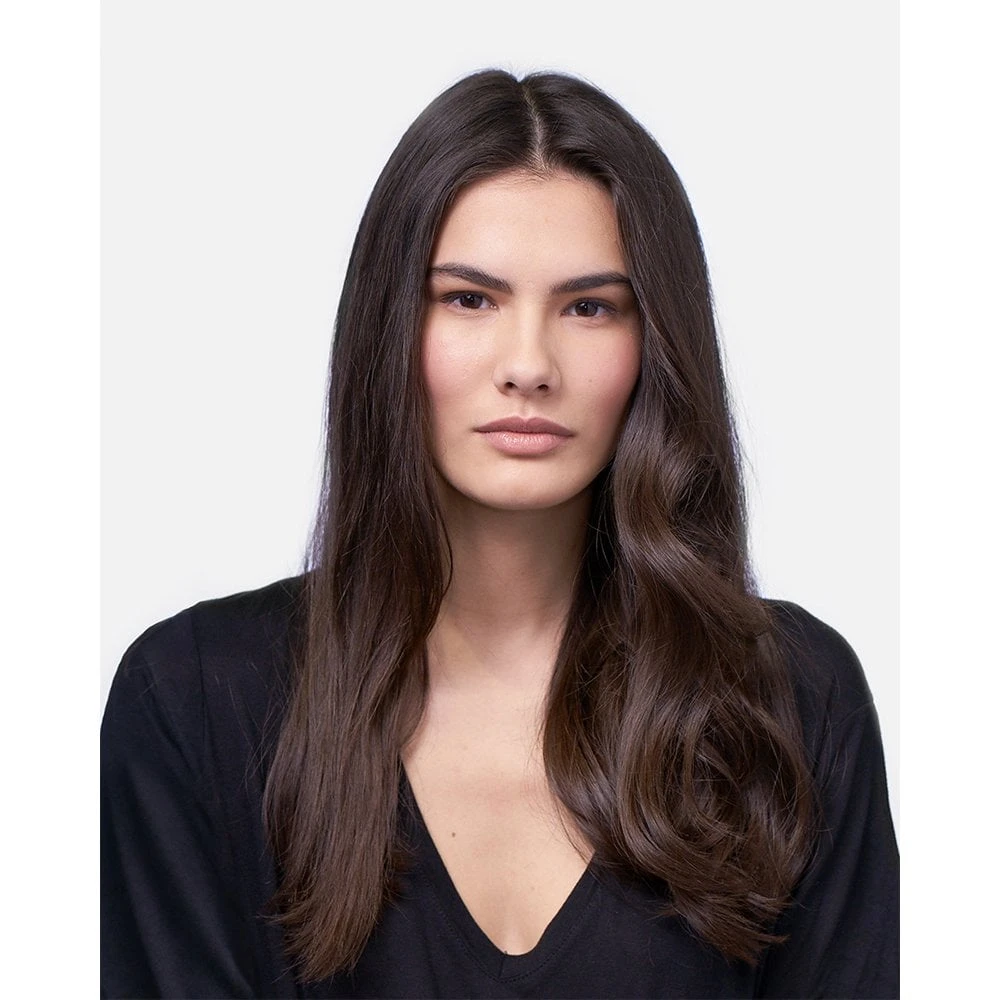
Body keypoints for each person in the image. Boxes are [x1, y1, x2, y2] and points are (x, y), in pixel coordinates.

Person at [101, 69, 899, 999]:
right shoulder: (197, 699)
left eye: (589, 306)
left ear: (654, 345)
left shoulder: (792, 700)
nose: (529, 365)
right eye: (469, 299)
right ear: (390, 328)